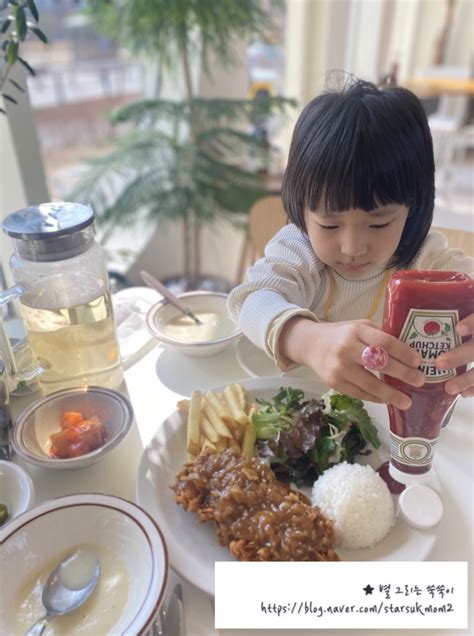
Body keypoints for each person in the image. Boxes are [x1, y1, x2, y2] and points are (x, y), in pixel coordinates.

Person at [228, 77, 474, 410]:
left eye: (379, 223)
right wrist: (308, 340)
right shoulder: (300, 252)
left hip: (397, 429)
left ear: (413, 208)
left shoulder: (426, 262)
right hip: (308, 412)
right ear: (301, 206)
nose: (352, 246)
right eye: (329, 224)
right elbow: (251, 299)